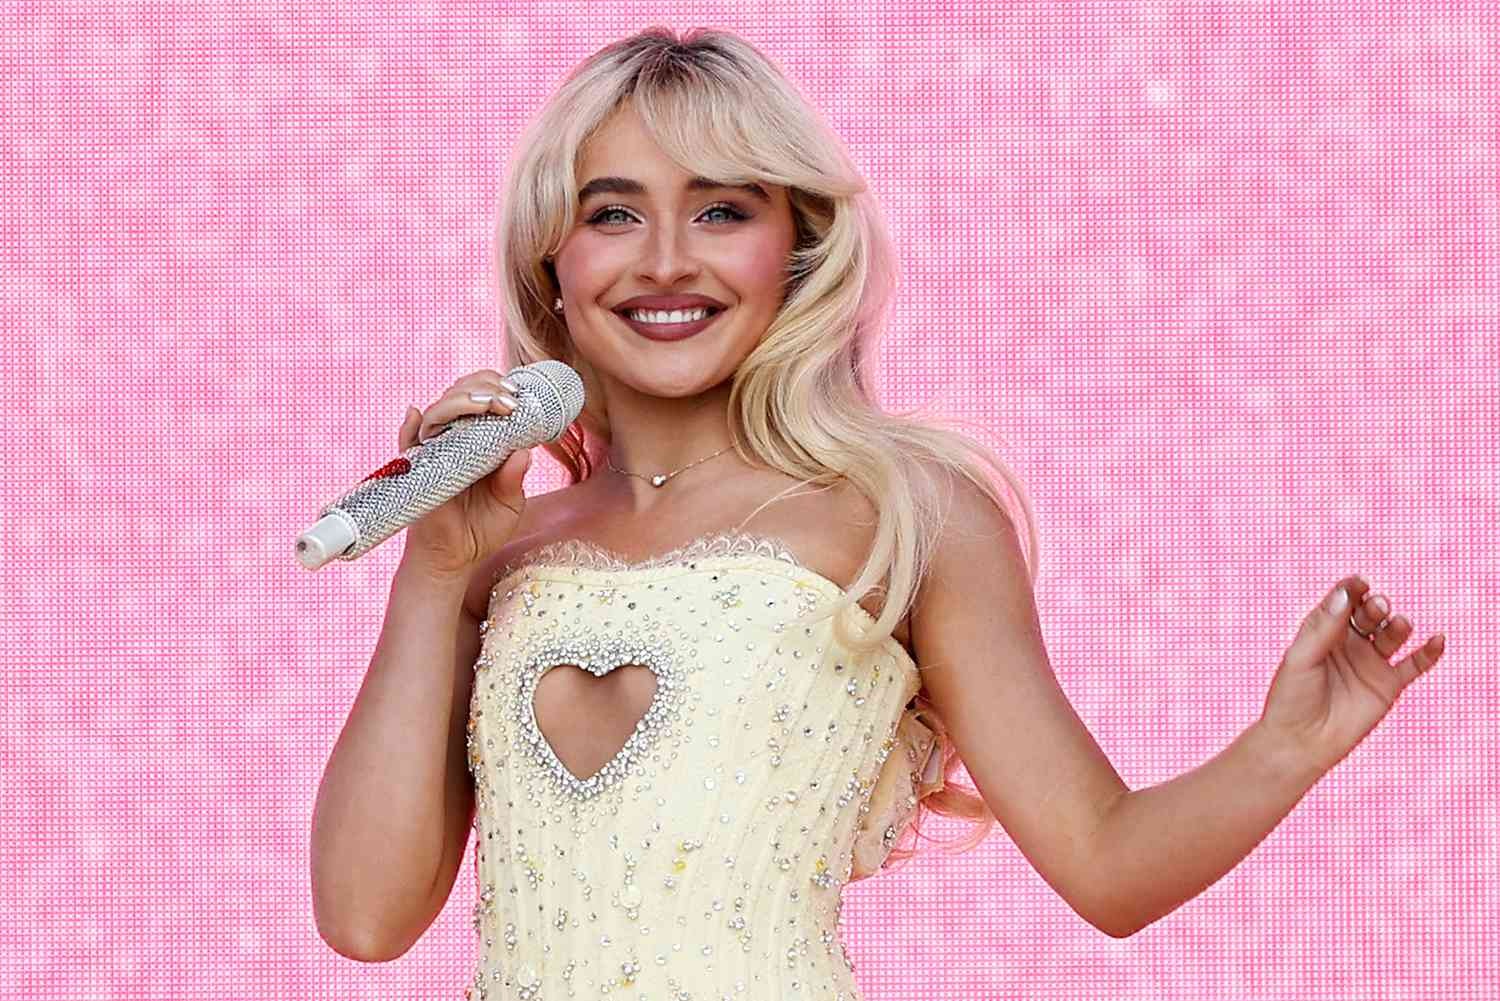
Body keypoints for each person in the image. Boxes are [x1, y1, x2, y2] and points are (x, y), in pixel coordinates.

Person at [310, 26, 1447, 998]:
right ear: (551, 256)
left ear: (796, 249)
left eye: (721, 210)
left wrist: (1285, 746)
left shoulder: (903, 514)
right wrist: (432, 567)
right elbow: (363, 916)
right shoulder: (492, 547)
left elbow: (1107, 863)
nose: (665, 261)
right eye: (614, 213)